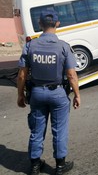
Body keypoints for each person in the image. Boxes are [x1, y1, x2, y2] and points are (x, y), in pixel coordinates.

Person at [17, 10, 81, 175]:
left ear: (40, 24)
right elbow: (71, 75)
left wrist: (20, 95)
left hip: (37, 93)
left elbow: (22, 74)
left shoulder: (30, 45)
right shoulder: (63, 46)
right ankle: (60, 166)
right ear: (57, 24)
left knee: (37, 129)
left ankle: (35, 166)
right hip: (58, 93)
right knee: (59, 129)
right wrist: (77, 95)